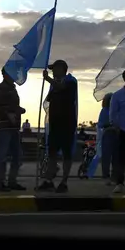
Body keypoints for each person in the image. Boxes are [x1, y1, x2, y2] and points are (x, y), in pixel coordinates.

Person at [38, 59, 78, 193]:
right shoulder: (54, 85)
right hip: (55, 124)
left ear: (61, 69)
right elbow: (48, 100)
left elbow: (62, 88)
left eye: (54, 69)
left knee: (66, 154)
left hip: (67, 124)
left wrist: (48, 79)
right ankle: (49, 180)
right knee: (52, 154)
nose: (52, 72)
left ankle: (64, 182)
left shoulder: (71, 81)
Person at [0, 68, 26, 192]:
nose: (15, 75)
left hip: (14, 126)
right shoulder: (0, 88)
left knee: (17, 155)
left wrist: (18, 109)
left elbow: (11, 105)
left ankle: (12, 181)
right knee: (2, 155)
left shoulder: (12, 88)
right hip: (4, 126)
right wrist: (8, 112)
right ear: (5, 74)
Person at [98, 93, 118, 185]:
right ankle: (105, 175)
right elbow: (101, 124)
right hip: (108, 134)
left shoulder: (117, 110)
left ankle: (115, 175)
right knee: (106, 156)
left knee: (116, 156)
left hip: (117, 134)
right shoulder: (104, 110)